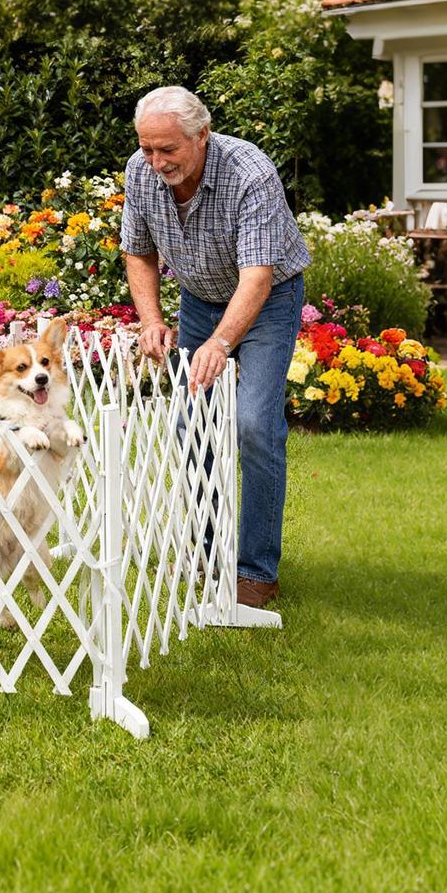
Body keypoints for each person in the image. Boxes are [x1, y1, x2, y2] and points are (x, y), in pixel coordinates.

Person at [119, 86, 310, 608]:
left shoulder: (249, 172)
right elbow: (138, 252)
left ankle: (256, 571)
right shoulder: (141, 172)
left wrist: (222, 343)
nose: (156, 161)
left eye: (168, 149)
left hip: (267, 299)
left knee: (254, 425)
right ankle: (208, 553)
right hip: (200, 297)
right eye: (147, 148)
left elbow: (258, 276)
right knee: (192, 424)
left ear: (201, 135)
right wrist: (151, 320)